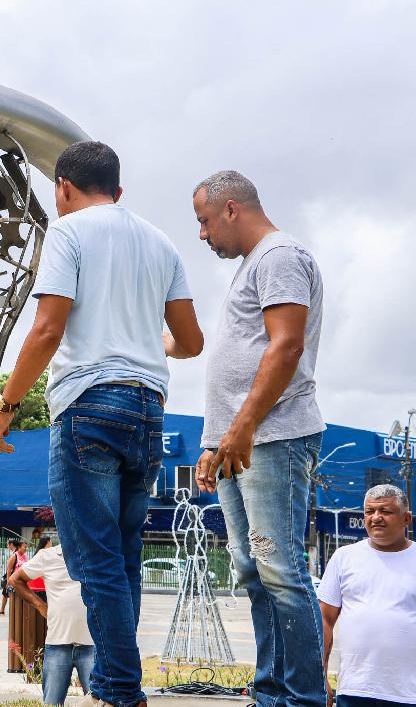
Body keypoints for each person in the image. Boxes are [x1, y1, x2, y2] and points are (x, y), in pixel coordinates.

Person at [0, 141, 203, 707]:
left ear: (62, 187)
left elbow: (47, 328)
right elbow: (191, 341)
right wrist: (149, 346)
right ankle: (111, 684)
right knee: (123, 558)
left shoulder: (69, 232)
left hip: (90, 405)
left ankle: (122, 692)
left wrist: (6, 405)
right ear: (118, 190)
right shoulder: (160, 242)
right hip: (148, 408)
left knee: (95, 560)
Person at [192, 170, 326, 707]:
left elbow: (286, 346)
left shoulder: (279, 256)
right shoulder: (254, 264)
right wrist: (214, 441)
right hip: (239, 442)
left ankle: (302, 698)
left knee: (281, 569)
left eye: (205, 221)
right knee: (252, 570)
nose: (203, 234)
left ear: (231, 209)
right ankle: (270, 692)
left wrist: (243, 428)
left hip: (274, 437)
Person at [318, 485, 416, 707]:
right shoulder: (344, 557)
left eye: (386, 511)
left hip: (409, 694)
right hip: (355, 690)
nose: (376, 517)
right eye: (370, 511)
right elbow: (324, 619)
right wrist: (320, 674)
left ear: (406, 519)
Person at [10, 543, 95, 706]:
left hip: (92, 644)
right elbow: (15, 580)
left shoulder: (96, 553)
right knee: (52, 703)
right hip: (57, 644)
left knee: (98, 702)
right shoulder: (47, 556)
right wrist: (40, 605)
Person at [0, 540, 26, 615]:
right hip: (14, 580)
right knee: (9, 595)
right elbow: (9, 569)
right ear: (19, 547)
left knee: (7, 595)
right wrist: (8, 580)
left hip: (21, 580)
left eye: (26, 547)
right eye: (25, 547)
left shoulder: (24, 556)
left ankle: (4, 610)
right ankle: (8, 612)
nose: (26, 548)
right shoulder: (14, 555)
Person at [27, 536, 52, 602]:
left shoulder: (38, 552)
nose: (51, 544)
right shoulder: (46, 552)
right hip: (42, 585)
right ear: (48, 542)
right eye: (51, 542)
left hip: (34, 584)